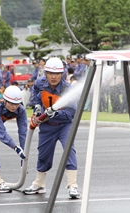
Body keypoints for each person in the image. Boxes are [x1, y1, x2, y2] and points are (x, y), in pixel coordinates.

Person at [23, 57, 80, 199]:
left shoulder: (68, 89)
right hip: (46, 125)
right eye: (50, 73)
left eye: (57, 74)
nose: (53, 77)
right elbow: (36, 96)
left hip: (64, 125)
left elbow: (71, 113)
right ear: (46, 73)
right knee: (43, 154)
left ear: (62, 74)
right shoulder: (39, 83)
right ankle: (39, 184)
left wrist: (55, 113)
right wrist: (37, 109)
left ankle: (73, 186)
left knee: (69, 150)